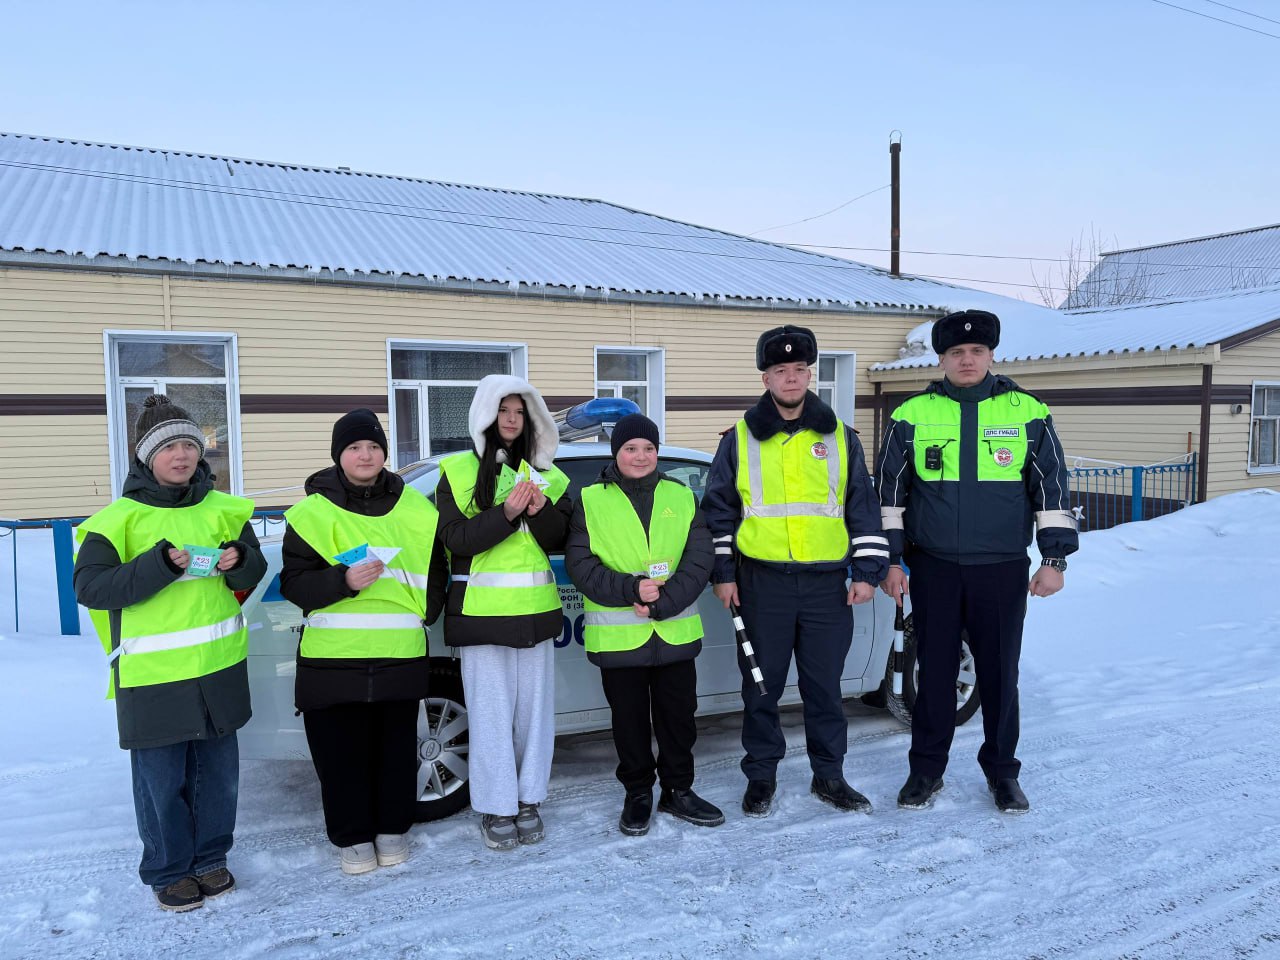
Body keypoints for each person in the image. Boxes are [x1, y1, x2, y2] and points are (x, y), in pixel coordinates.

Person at [876, 309, 1078, 814]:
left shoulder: (1027, 411)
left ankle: (1002, 774)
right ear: (941, 358)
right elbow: (889, 497)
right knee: (936, 673)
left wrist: (1054, 559)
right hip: (935, 567)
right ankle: (926, 770)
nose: (966, 360)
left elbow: (1051, 489)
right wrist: (892, 561)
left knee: (998, 674)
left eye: (976, 352)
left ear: (991, 355)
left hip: (1002, 567)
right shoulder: (911, 415)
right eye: (956, 353)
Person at [74, 394, 267, 912]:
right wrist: (158, 565)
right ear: (145, 457)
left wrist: (240, 559)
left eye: (189, 444)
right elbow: (90, 588)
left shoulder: (222, 509)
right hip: (153, 675)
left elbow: (255, 572)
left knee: (219, 777)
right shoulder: (118, 520)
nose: (181, 456)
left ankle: (210, 859)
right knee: (162, 783)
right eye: (168, 447)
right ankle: (168, 870)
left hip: (218, 669)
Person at [702, 326, 889, 818]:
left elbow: (862, 510)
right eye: (780, 370)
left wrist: (868, 571)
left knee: (824, 689)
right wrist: (723, 573)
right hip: (761, 585)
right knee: (761, 687)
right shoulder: (738, 438)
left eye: (800, 369)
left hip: (828, 587)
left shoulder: (841, 437)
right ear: (765, 377)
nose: (791, 378)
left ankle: (829, 776)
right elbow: (718, 512)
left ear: (812, 374)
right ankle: (761, 776)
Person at [280, 408, 447, 874]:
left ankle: (392, 830)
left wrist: (426, 611)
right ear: (339, 455)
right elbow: (294, 584)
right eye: (355, 447)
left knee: (395, 752)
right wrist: (343, 582)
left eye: (373, 446)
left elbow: (437, 572)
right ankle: (352, 839)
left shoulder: (417, 509)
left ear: (385, 454)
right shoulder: (312, 513)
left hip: (399, 656)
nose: (365, 454)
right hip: (333, 661)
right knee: (340, 758)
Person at [566, 413, 722, 836]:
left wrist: (663, 602)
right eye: (631, 448)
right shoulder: (590, 499)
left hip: (673, 629)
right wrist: (632, 589)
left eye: (649, 448)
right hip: (620, 637)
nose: (641, 456)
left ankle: (678, 791)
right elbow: (581, 565)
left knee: (679, 718)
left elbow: (699, 556)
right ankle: (638, 793)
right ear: (616, 452)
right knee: (629, 722)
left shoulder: (681, 495)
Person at [436, 375, 571, 850]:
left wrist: (538, 511)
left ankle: (530, 798)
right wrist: (507, 514)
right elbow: (455, 540)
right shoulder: (455, 472)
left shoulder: (550, 475)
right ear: (485, 415)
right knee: (492, 718)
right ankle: (496, 806)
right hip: (482, 616)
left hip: (537, 613)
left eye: (519, 412)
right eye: (503, 411)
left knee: (534, 717)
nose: (511, 421)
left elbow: (559, 540)